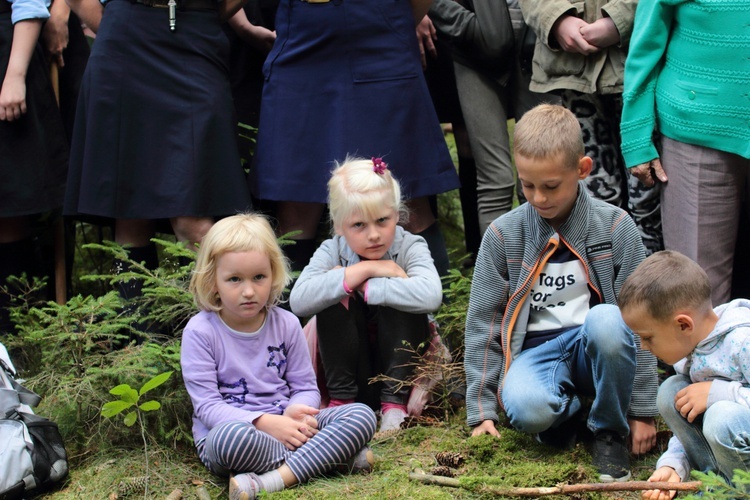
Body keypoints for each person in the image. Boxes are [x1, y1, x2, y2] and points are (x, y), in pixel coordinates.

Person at [464, 104, 658, 482]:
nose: (538, 198)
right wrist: (482, 409)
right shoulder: (504, 235)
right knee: (523, 407)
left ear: (582, 170)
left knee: (607, 319)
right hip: (539, 356)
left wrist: (642, 408)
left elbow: (643, 318)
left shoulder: (616, 226)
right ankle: (571, 415)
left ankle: (608, 429)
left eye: (551, 185)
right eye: (528, 185)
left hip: (598, 348)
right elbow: (483, 323)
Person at [249, 0, 460, 277]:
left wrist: (385, 17)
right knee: (296, 195)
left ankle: (434, 313)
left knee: (406, 194)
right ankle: (289, 320)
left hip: (380, 34)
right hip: (303, 36)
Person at [64, 0, 252, 300]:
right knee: (129, 208)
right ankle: (134, 334)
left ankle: (208, 333)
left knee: (195, 217)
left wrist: (198, 11)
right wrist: (117, 18)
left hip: (196, 33)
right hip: (125, 36)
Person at [181, 213, 377, 500]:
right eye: (234, 279)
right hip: (236, 435)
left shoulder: (285, 323)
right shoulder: (200, 331)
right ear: (213, 281)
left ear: (273, 273)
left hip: (290, 424)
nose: (249, 290)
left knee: (361, 416)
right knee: (229, 439)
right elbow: (208, 407)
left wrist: (297, 411)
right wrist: (264, 423)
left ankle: (273, 480)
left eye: (259, 277)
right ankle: (331, 459)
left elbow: (305, 388)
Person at [289, 157, 443, 433]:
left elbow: (431, 296)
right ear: (339, 225)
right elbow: (299, 301)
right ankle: (342, 404)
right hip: (350, 370)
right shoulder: (332, 249)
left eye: (382, 220)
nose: (373, 235)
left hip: (401, 372)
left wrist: (372, 286)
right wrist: (364, 271)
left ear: (396, 214)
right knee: (332, 291)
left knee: (398, 296)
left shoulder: (410, 246)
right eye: (359, 225)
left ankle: (394, 407)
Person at [619, 0, 750, 305]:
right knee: (696, 291)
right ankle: (698, 355)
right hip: (697, 130)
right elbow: (646, 42)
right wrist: (636, 135)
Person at [519, 0, 662, 256]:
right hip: (573, 72)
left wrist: (619, 19)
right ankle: (600, 286)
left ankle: (654, 287)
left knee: (649, 200)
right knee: (594, 201)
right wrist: (557, 19)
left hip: (640, 68)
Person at [619, 250, 750, 499]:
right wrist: (673, 465)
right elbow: (693, 423)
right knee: (672, 391)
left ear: (683, 325)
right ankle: (717, 483)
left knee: (722, 417)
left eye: (648, 337)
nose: (644, 346)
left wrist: (720, 393)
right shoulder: (694, 350)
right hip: (730, 447)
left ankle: (740, 492)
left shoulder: (743, 340)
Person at [428, 0, 557, 236]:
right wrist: (466, 25)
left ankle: (546, 265)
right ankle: (496, 270)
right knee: (496, 179)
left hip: (539, 37)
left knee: (543, 168)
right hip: (474, 50)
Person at [0, 0, 69, 331]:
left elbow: (28, 3)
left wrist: (15, 76)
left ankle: (17, 342)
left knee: (9, 205)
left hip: (7, 56)